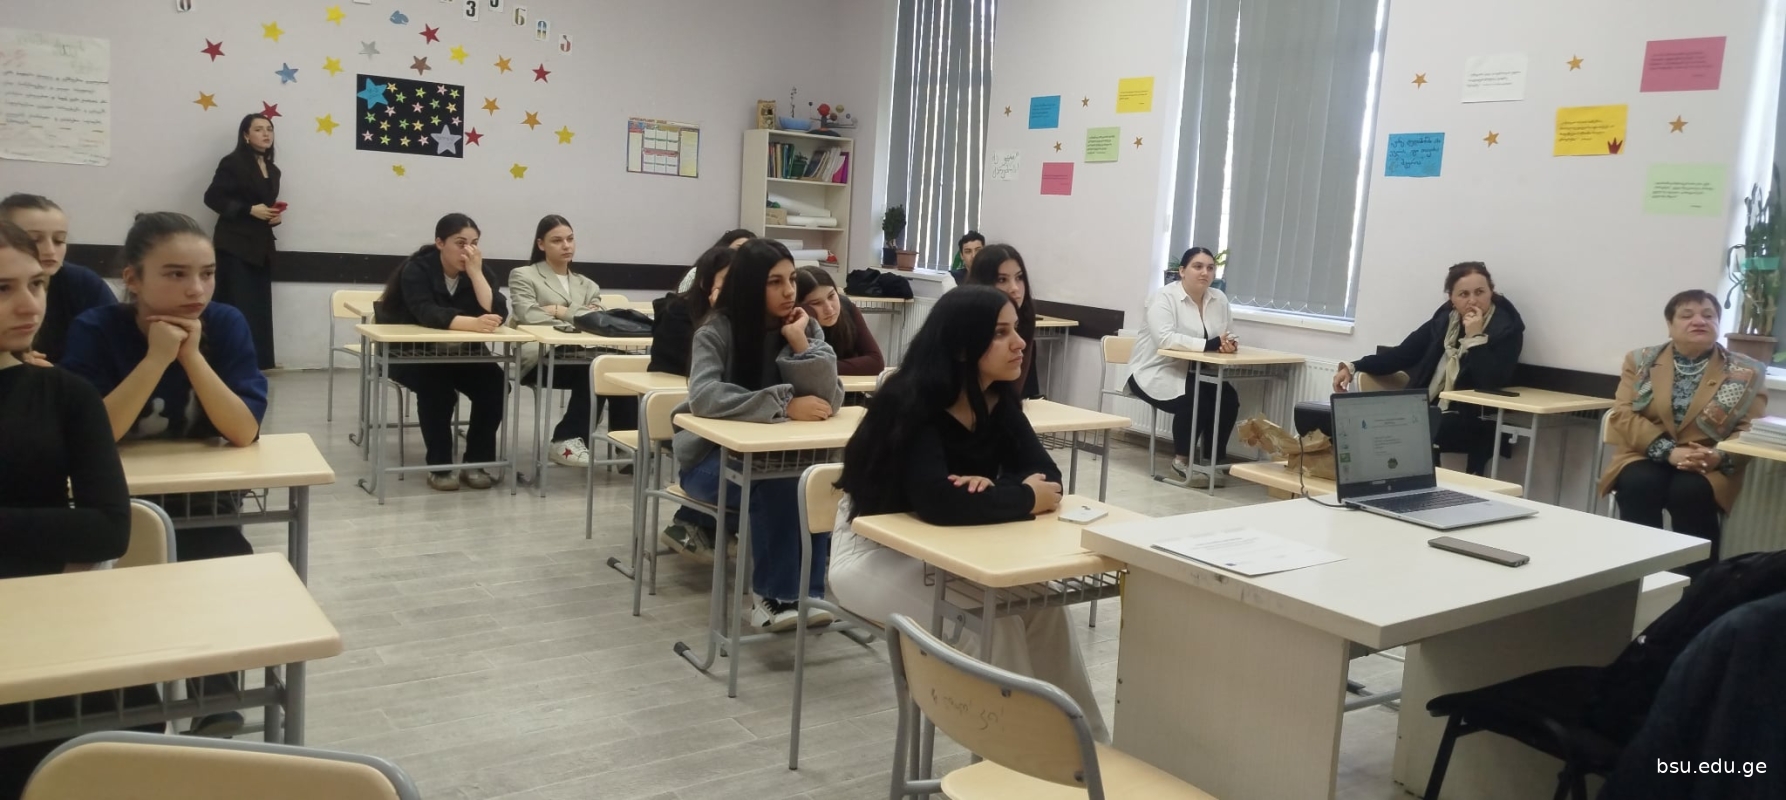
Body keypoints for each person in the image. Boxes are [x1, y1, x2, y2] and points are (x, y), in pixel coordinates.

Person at [831, 285, 1107, 741]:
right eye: (1001, 333)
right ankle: (1017, 757)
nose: (1019, 342)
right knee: (994, 622)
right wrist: (1021, 497)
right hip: (872, 554)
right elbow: (939, 503)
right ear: (962, 346)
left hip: (943, 553)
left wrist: (998, 489)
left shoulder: (997, 400)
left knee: (1043, 606)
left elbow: (1048, 479)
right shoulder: (911, 401)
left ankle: (1087, 751)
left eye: (1016, 329)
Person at [59, 211, 267, 738]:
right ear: (133, 279)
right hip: (112, 499)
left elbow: (243, 430)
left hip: (201, 499)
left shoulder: (225, 323)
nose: (196, 289)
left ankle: (215, 703)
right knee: (116, 591)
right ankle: (136, 715)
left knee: (221, 559)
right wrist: (155, 360)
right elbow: (93, 435)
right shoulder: (95, 329)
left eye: (207, 274)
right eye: (175, 274)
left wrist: (192, 357)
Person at [0, 218, 155, 798]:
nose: (29, 305)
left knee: (120, 740)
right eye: (3, 289)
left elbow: (108, 530)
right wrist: (47, 533)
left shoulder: (65, 394)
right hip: (38, 593)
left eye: (36, 284)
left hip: (47, 620)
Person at [671, 239, 843, 632]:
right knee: (776, 483)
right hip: (709, 461)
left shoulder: (802, 324)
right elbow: (704, 396)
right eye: (774, 282)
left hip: (781, 457)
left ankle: (808, 596)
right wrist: (783, 404)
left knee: (811, 481)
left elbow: (829, 398)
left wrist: (800, 342)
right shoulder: (716, 329)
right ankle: (771, 598)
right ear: (750, 284)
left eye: (792, 279)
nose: (789, 291)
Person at [1599, 290, 1767, 576]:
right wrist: (1668, 452)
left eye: (1708, 315)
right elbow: (1623, 414)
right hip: (1644, 452)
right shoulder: (1640, 361)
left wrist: (1718, 456)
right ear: (1670, 325)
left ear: (1718, 323)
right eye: (1687, 315)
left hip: (1707, 461)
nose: (1699, 321)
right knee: (1639, 484)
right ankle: (1639, 578)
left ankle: (1699, 585)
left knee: (1689, 493)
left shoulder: (1747, 371)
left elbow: (1749, 429)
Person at [1332, 261, 1525, 475]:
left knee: (1418, 426)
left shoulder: (1507, 329)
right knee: (1373, 421)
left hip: (1475, 416)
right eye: (1464, 294)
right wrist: (1353, 366)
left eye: (1480, 292)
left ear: (1491, 292)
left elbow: (1490, 381)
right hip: (1431, 409)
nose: (1473, 301)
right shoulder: (1445, 321)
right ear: (1452, 299)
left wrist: (1476, 338)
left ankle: (1420, 484)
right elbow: (1402, 354)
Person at [375, 213, 509, 492]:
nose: (468, 250)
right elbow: (426, 312)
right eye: (460, 243)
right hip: (412, 354)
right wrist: (472, 324)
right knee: (438, 390)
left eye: (474, 243)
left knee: (496, 385)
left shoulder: (480, 270)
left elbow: (498, 312)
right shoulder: (417, 269)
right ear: (440, 243)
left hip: (463, 354)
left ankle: (476, 462)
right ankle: (440, 467)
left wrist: (475, 274)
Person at [1126, 247, 1241, 480]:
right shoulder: (1164, 297)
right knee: (1195, 399)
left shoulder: (1219, 299)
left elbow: (1227, 334)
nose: (1205, 272)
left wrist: (1229, 344)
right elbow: (1165, 339)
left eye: (1210, 268)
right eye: (1197, 266)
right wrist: (1210, 344)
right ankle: (1181, 461)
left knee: (1227, 397)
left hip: (1196, 370)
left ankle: (1212, 460)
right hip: (1154, 369)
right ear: (1182, 271)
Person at [653, 245, 732, 562]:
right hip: (688, 427)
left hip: (727, 432)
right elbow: (701, 387)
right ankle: (694, 522)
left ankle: (715, 527)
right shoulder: (684, 315)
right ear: (706, 284)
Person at [508, 214, 604, 468]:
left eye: (570, 239)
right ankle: (565, 440)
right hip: (540, 356)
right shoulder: (523, 275)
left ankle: (628, 448)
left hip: (580, 354)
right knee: (593, 370)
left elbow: (597, 319)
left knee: (614, 368)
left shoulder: (588, 284)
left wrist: (558, 311)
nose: (566, 246)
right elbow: (528, 315)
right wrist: (576, 318)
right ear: (541, 244)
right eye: (557, 240)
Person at [203, 113, 282, 370]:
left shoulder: (273, 170)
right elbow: (212, 198)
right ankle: (229, 362)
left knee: (258, 308)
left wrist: (272, 216)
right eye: (258, 129)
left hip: (260, 249)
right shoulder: (233, 163)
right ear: (246, 135)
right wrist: (249, 210)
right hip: (235, 246)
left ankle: (257, 362)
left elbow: (264, 204)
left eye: (269, 129)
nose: (266, 134)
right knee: (237, 304)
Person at [0, 194, 113, 366]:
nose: (50, 251)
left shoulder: (82, 283)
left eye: (59, 240)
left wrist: (53, 377)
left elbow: (111, 348)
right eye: (34, 240)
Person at [966, 243, 1044, 398]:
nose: (1015, 288)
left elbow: (1013, 391)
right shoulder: (966, 320)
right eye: (1002, 280)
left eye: (1019, 277)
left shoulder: (1025, 318)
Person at [795, 265, 884, 375]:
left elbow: (876, 361)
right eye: (816, 303)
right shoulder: (794, 327)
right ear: (799, 306)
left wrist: (821, 366)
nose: (829, 308)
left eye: (831, 296)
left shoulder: (847, 307)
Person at [677, 228, 753, 292]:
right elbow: (682, 298)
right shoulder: (696, 272)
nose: (742, 255)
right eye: (739, 249)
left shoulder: (748, 276)